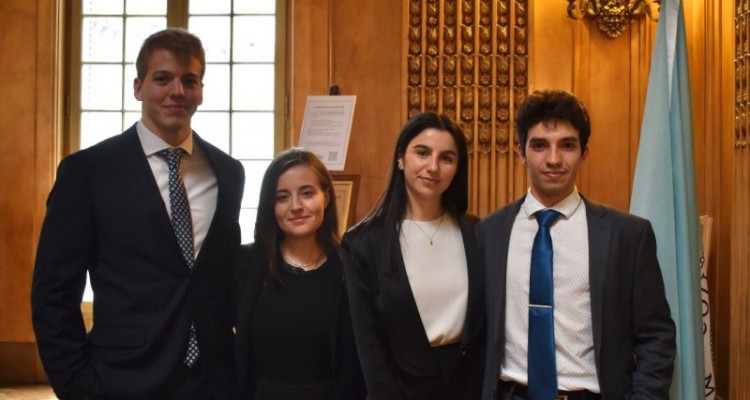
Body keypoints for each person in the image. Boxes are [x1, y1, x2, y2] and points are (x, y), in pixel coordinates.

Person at [31, 28, 244, 399]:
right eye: (162, 78)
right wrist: (77, 385)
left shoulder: (228, 173)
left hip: (214, 380)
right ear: (138, 87)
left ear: (201, 91)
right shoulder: (88, 172)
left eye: (189, 80)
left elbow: (224, 275)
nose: (177, 91)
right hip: (122, 379)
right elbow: (53, 292)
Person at [477, 89, 676, 399]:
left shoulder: (627, 236)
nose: (554, 159)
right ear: (520, 153)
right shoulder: (488, 233)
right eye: (540, 146)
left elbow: (656, 337)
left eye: (567, 145)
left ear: (584, 153)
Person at [341, 113, 485, 399]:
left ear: (457, 168)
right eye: (422, 152)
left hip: (468, 384)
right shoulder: (362, 243)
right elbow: (367, 343)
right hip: (401, 387)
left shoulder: (477, 232)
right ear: (400, 158)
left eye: (447, 158)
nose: (433, 167)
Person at [233, 148, 366, 399]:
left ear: (325, 197)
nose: (296, 206)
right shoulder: (246, 264)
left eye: (307, 193)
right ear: (270, 206)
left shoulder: (351, 268)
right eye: (282, 197)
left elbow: (362, 361)